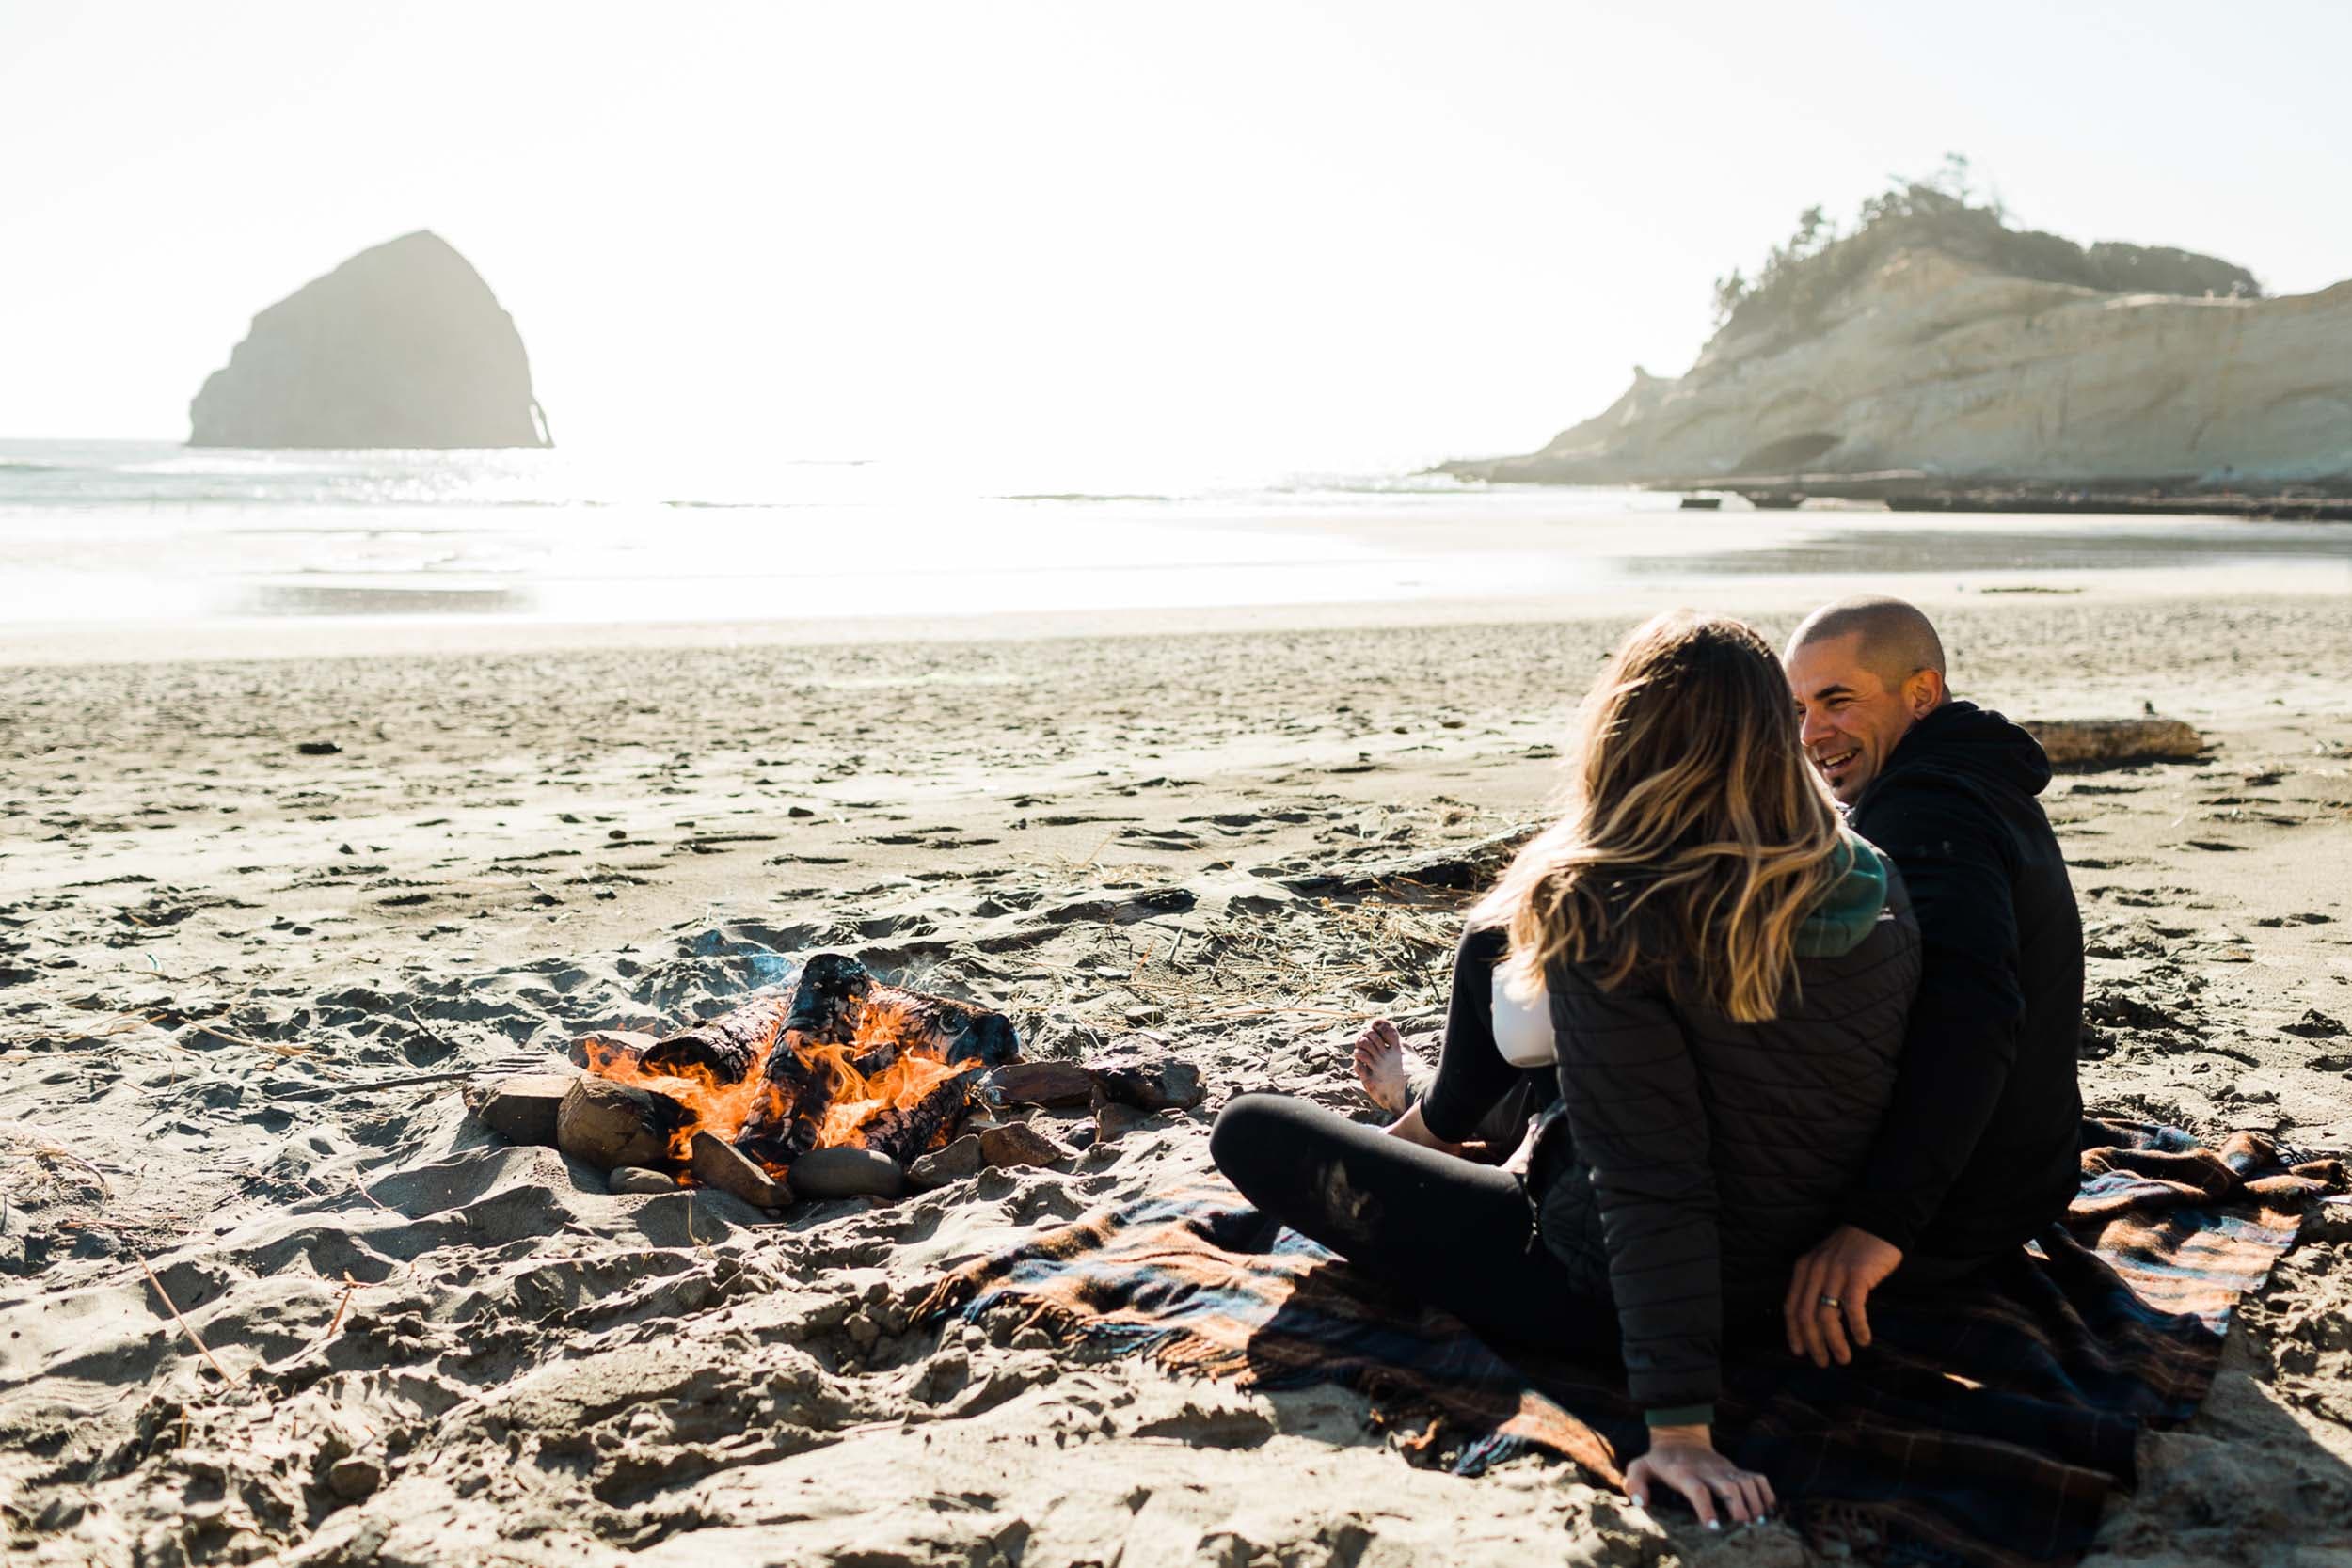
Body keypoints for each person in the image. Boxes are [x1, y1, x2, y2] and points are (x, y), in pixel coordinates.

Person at [1213, 611, 1921, 1528]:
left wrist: (1679, 1429)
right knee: (1514, 966)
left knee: (1253, 1129)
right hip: (1800, 1272)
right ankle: (1438, 1113)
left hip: (1599, 1284)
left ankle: (1428, 1117)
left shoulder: (1612, 908)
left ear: (1621, 731)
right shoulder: (1871, 875)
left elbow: (1652, 1178)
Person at [1778, 596, 2084, 1369]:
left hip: (1956, 1215)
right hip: (2024, 1179)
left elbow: (1973, 1014)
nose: (1813, 733)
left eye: (1838, 700)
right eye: (1800, 708)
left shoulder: (1925, 811)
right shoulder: (1971, 776)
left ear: (1921, 693)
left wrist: (1877, 1226)